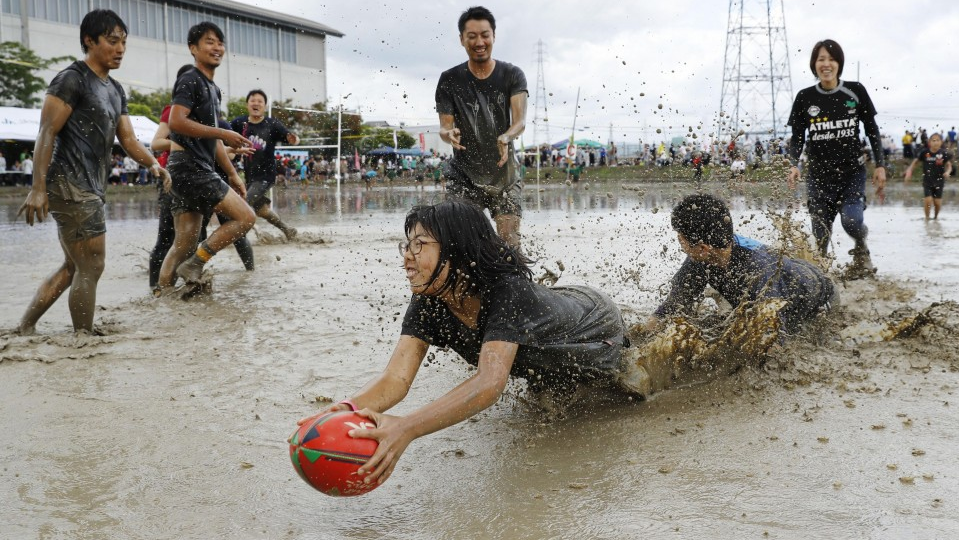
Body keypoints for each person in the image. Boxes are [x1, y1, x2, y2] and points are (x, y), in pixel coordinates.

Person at [297, 199, 670, 486]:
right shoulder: (430, 298)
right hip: (547, 329)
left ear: (459, 251)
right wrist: (342, 410)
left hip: (594, 325)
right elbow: (395, 380)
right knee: (550, 394)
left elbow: (490, 383)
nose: (406, 259)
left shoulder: (508, 292)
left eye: (419, 245)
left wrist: (406, 427)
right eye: (405, 246)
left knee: (624, 388)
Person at [16, 9, 170, 334]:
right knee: (93, 264)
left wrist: (154, 164)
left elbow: (128, 140)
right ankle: (84, 341)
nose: (120, 49)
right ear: (90, 40)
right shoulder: (71, 79)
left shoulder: (115, 90)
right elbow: (47, 132)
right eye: (113, 41)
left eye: (124, 42)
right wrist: (38, 187)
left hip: (91, 188)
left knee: (74, 266)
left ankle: (25, 327)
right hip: (70, 185)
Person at [644, 194, 836, 337]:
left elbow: (775, 337)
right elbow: (673, 305)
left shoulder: (758, 271)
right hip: (784, 277)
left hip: (820, 296)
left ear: (702, 248)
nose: (681, 246)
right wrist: (640, 336)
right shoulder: (701, 259)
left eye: (681, 240)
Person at [155, 22, 256, 292]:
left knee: (183, 244)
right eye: (209, 42)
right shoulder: (190, 78)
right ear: (193, 48)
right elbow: (176, 122)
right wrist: (222, 132)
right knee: (246, 218)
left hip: (186, 169)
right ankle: (196, 264)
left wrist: (233, 174)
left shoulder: (212, 88)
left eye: (220, 43)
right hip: (190, 167)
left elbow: (213, 139)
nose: (217, 48)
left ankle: (161, 300)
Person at [786, 39, 886, 279]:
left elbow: (872, 130)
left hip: (851, 172)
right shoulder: (805, 97)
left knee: (852, 221)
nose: (826, 64)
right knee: (820, 233)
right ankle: (822, 280)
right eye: (821, 59)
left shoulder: (855, 91)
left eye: (831, 59)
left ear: (839, 63)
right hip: (818, 176)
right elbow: (797, 137)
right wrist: (793, 164)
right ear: (814, 65)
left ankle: (861, 248)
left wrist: (880, 165)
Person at [436, 6, 528, 248]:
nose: (479, 42)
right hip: (464, 178)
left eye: (485, 35)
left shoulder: (512, 74)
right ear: (462, 39)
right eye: (472, 36)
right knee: (460, 246)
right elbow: (444, 128)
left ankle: (515, 284)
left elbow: (520, 121)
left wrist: (507, 137)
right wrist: (449, 134)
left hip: (504, 176)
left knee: (510, 246)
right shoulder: (449, 79)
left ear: (494, 36)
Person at [230, 89, 300, 240]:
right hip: (250, 176)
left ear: (265, 106)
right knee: (262, 211)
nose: (256, 103)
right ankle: (288, 230)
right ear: (247, 104)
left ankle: (234, 239)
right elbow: (225, 139)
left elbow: (290, 137)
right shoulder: (239, 123)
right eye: (253, 100)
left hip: (266, 176)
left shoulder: (272, 124)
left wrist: (294, 139)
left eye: (260, 101)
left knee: (241, 205)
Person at [904, 133, 952, 220]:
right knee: (928, 200)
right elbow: (915, 162)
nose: (935, 142)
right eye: (933, 140)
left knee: (937, 203)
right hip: (927, 181)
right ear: (929, 142)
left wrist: (948, 172)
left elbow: (949, 165)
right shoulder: (925, 152)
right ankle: (927, 218)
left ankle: (936, 218)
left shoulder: (943, 153)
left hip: (939, 181)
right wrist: (909, 171)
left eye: (938, 140)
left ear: (941, 142)